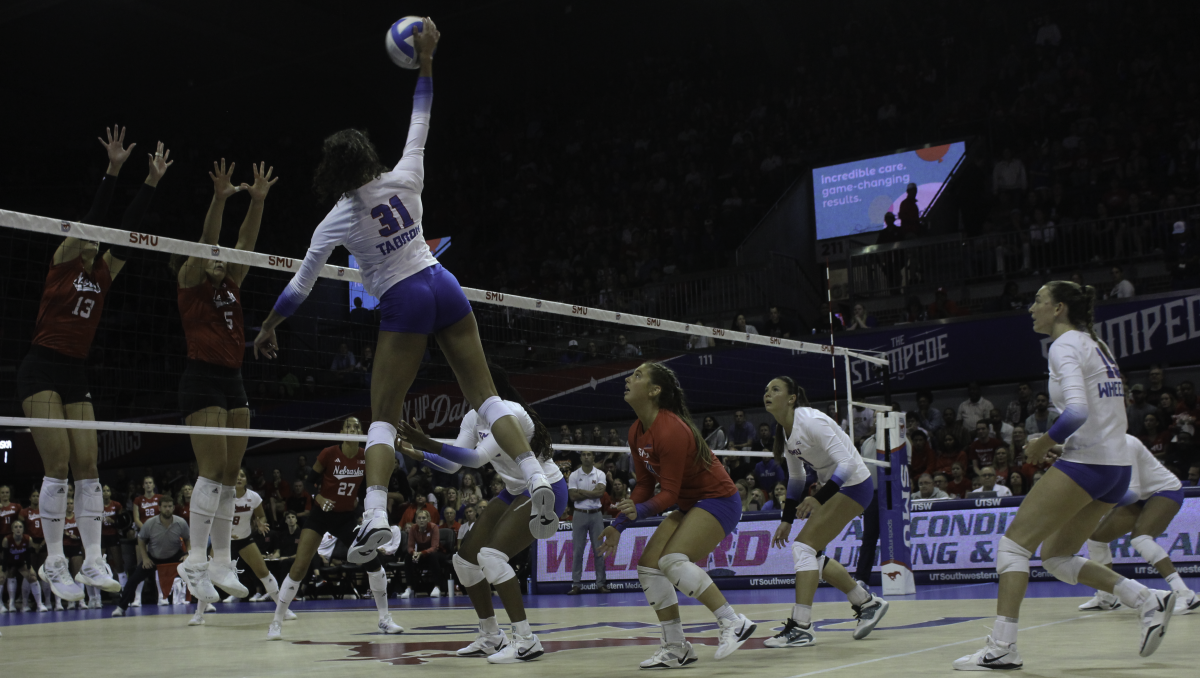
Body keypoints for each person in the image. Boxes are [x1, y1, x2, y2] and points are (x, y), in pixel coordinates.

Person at [252, 19, 557, 562]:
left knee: (383, 416)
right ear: (369, 156)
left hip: (405, 298)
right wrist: (428, 60)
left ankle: (372, 517)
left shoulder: (337, 219)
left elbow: (299, 288)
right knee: (486, 397)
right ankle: (535, 478)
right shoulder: (406, 173)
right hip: (446, 284)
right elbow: (422, 112)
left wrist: (270, 327)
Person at [953, 282, 1173, 671]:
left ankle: (1002, 647)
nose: (1031, 309)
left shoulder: (1065, 345)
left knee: (1013, 548)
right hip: (1116, 466)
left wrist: (1044, 443)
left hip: (1089, 463)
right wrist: (1060, 442)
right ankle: (1145, 599)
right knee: (1056, 557)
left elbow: (1076, 413)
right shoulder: (1095, 344)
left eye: (1038, 301)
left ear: (1058, 308)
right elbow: (1100, 412)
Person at [17, 129, 169, 603]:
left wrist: (151, 181)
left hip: (76, 371)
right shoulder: (64, 259)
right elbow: (97, 219)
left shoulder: (104, 270)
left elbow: (123, 229)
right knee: (58, 465)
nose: (90, 238)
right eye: (85, 234)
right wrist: (114, 169)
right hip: (40, 368)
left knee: (90, 467)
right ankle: (55, 561)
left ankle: (94, 560)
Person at [396, 362, 568, 663]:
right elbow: (452, 465)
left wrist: (429, 443)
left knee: (490, 556)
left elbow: (475, 459)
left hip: (546, 489)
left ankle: (526, 639)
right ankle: (491, 636)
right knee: (464, 561)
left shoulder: (510, 411)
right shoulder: (474, 417)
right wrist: (421, 453)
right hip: (515, 490)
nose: (463, 385)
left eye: (467, 378)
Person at [596, 362, 755, 669]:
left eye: (638, 375)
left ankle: (733, 622)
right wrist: (617, 524)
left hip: (718, 499)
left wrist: (637, 511)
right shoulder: (636, 430)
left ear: (655, 391)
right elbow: (644, 485)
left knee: (672, 561)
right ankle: (676, 647)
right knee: (649, 567)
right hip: (691, 503)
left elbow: (666, 493)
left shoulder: (670, 429)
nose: (628, 379)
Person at [172, 158, 277, 604]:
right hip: (201, 379)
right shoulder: (190, 280)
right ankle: (194, 560)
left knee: (232, 473)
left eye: (221, 259)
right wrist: (218, 199)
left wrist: (257, 202)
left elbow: (244, 243)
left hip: (234, 379)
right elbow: (211, 242)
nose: (219, 259)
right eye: (211, 257)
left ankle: (219, 560)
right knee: (212, 472)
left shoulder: (232, 280)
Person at [762, 376, 888, 648]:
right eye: (766, 390)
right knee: (812, 554)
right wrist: (786, 520)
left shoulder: (810, 421)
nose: (767, 394)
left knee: (803, 549)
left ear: (792, 397)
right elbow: (796, 479)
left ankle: (802, 626)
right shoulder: (785, 430)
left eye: (775, 389)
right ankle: (866, 603)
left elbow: (847, 463)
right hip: (838, 488)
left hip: (855, 485)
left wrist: (819, 498)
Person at [267, 417, 404, 640]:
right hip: (320, 516)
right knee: (300, 566)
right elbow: (310, 482)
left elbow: (368, 486)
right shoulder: (329, 453)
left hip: (346, 519)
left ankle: (384, 618)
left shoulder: (365, 455)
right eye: (349, 426)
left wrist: (360, 509)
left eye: (357, 427)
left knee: (373, 562)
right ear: (341, 431)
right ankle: (276, 622)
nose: (353, 429)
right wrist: (319, 498)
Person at [1079, 435, 1199, 615]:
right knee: (1096, 539)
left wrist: (1097, 506)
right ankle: (1107, 597)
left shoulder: (1125, 443)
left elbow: (1131, 493)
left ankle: (1185, 594)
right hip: (1140, 495)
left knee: (1141, 538)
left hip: (1164, 490)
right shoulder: (1097, 444)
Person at [189, 469, 297, 627]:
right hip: (223, 541)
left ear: (246, 480)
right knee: (208, 574)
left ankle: (284, 610)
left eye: (242, 476)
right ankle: (199, 614)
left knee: (263, 572)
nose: (239, 478)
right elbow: (210, 517)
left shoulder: (253, 497)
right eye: (236, 475)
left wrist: (260, 522)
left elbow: (261, 516)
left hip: (245, 539)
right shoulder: (222, 496)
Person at [111, 495, 189, 616]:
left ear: (173, 508)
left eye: (169, 506)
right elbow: (141, 540)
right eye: (165, 507)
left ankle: (205, 603)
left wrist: (187, 554)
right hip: (154, 557)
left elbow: (188, 539)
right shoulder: (150, 523)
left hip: (175, 556)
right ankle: (121, 607)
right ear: (159, 508)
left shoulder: (181, 522)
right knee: (133, 580)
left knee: (196, 574)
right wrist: (145, 558)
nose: (167, 509)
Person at [567, 450, 609, 595]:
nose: (586, 457)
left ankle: (601, 583)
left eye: (589, 454)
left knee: (598, 550)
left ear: (593, 457)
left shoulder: (600, 474)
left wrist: (581, 492)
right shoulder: (574, 475)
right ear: (580, 457)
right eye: (584, 455)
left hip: (596, 514)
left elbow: (600, 494)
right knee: (578, 550)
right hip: (579, 515)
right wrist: (592, 491)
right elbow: (572, 497)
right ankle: (576, 584)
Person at [3, 520, 47, 612]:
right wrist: (5, 570)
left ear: (23, 529)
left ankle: (39, 604)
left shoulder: (28, 539)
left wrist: (29, 568)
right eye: (15, 527)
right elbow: (5, 557)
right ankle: (10, 604)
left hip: (21, 562)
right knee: (2, 577)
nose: (18, 529)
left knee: (33, 576)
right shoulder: (7, 539)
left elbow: (28, 556)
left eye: (20, 527)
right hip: (9, 562)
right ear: (12, 530)